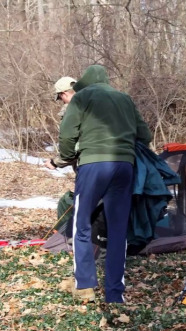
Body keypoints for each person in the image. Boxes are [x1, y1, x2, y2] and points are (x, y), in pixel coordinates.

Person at [45, 65, 152, 304]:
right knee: (117, 231)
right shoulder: (124, 99)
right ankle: (115, 294)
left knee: (81, 225)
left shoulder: (81, 98)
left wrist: (66, 155)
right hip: (124, 167)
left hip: (93, 165)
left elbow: (68, 135)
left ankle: (84, 286)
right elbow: (145, 135)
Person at [44, 76, 77, 171]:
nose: (62, 101)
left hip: (89, 166)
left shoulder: (71, 109)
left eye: (60, 97)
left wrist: (55, 162)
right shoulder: (95, 103)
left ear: (64, 93)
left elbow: (70, 142)